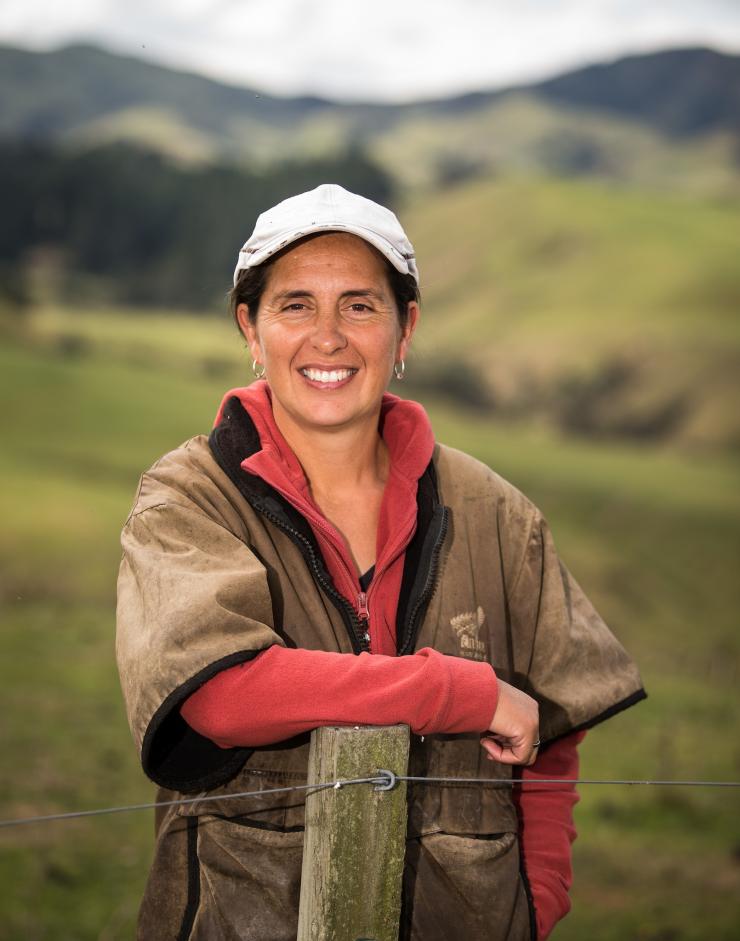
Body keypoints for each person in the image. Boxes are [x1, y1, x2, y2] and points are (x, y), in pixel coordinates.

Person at [116, 183, 646, 941]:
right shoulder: (188, 498)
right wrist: (456, 689)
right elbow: (222, 694)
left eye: (360, 305)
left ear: (405, 331)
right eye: (295, 304)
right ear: (251, 329)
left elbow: (553, 727)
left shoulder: (497, 512)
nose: (327, 336)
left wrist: (542, 894)